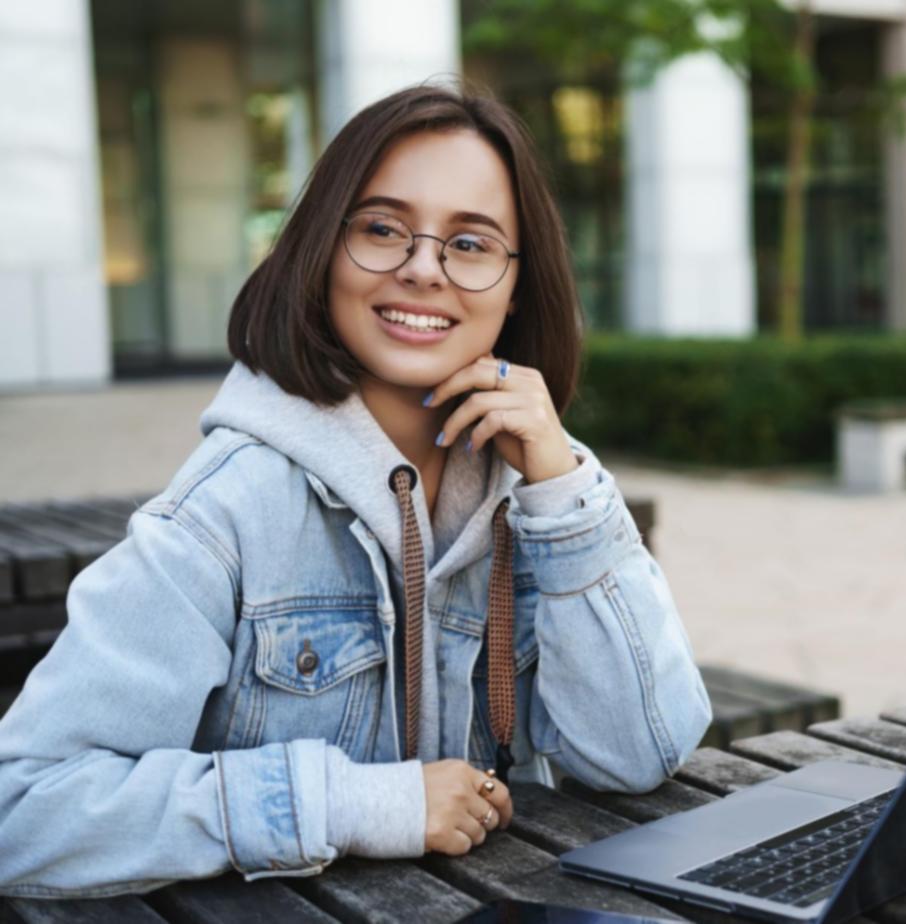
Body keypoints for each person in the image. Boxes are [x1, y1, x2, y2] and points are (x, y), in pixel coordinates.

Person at [0, 83, 712, 898]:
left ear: (517, 286)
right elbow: (22, 810)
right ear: (322, 250)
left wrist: (564, 487)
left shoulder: (542, 490)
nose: (420, 269)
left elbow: (638, 757)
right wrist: (358, 803)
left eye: (470, 244)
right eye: (381, 229)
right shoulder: (227, 511)